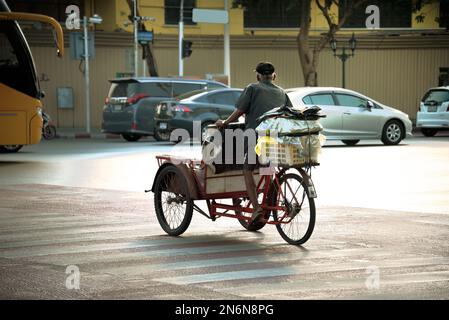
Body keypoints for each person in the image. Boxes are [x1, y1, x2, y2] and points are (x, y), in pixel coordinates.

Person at [215, 62, 293, 225]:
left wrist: (225, 122)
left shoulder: (252, 88)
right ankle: (269, 195)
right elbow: (288, 113)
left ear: (258, 76)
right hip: (276, 139)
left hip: (256, 137)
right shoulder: (282, 92)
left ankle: (257, 208)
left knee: (247, 168)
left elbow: (240, 111)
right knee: (268, 167)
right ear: (274, 76)